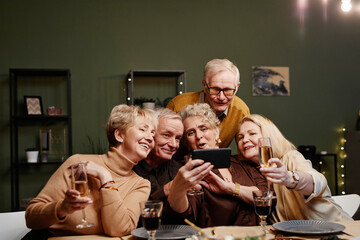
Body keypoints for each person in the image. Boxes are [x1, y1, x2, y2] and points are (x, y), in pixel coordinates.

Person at [25, 104, 158, 238]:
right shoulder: (78, 163)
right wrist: (62, 208)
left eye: (153, 134)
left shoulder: (141, 184)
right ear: (119, 135)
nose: (150, 138)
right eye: (143, 130)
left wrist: (105, 177)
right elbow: (31, 217)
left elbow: (118, 230)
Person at [166, 103, 268, 227]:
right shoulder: (191, 173)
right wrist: (179, 189)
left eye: (204, 128)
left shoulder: (242, 163)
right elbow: (185, 213)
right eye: (191, 133)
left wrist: (229, 188)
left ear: (217, 132)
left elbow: (265, 197)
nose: (199, 136)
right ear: (187, 142)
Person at [237, 114, 353, 222]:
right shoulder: (249, 173)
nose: (245, 140)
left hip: (336, 230)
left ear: (268, 136)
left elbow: (316, 182)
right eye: (240, 137)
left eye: (252, 134)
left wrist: (289, 178)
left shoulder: (291, 157)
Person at [166, 58, 250, 149]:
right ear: (204, 86)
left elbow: (246, 149)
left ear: (236, 87)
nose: (221, 97)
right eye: (215, 89)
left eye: (228, 90)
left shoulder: (241, 110)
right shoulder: (177, 105)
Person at [133, 108, 183, 220]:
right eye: (166, 135)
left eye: (178, 138)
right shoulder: (130, 167)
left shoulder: (180, 171)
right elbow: (130, 216)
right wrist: (165, 190)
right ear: (150, 134)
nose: (174, 145)